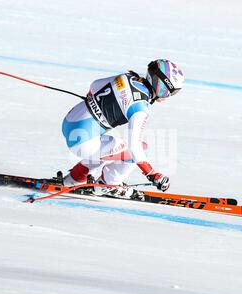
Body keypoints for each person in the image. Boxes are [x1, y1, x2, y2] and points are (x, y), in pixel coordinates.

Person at [61, 59, 184, 199]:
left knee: (110, 148)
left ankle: (74, 178)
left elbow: (94, 86)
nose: (168, 97)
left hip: (69, 122)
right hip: (82, 142)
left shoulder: (127, 77)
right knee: (140, 148)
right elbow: (135, 146)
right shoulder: (140, 107)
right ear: (162, 86)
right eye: (170, 92)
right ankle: (109, 185)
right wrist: (151, 173)